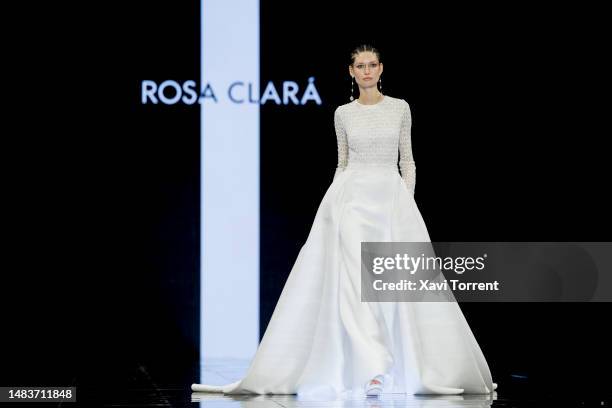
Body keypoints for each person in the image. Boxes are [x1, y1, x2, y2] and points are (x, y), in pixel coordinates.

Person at [192, 44, 497, 398]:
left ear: (381, 69)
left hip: (391, 203)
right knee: (355, 284)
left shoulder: (400, 108)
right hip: (351, 202)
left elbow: (408, 163)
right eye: (359, 66)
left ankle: (404, 367)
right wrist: (333, 205)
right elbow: (342, 163)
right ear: (350, 72)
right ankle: (374, 369)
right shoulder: (343, 114)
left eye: (372, 65)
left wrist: (404, 205)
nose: (366, 71)